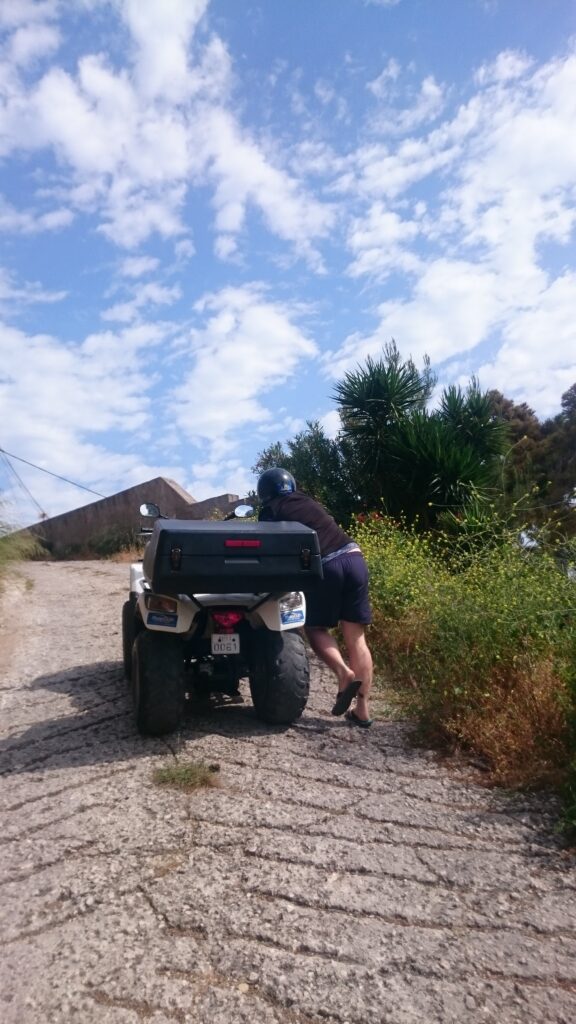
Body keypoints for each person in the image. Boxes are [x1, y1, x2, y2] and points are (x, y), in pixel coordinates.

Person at [257, 468, 374, 727]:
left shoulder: (272, 510)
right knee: (357, 639)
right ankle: (363, 710)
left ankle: (343, 672)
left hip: (328, 566)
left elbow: (267, 549)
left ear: (265, 493)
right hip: (354, 557)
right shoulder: (308, 502)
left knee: (314, 628)